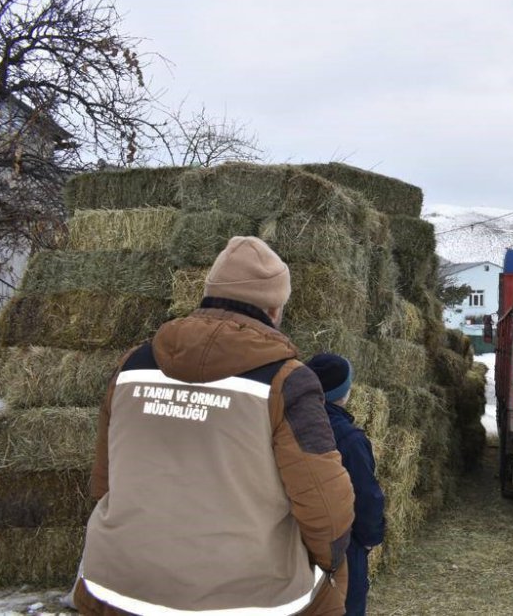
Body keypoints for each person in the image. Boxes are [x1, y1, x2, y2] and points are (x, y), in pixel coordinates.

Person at [74, 236, 355, 616]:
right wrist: (332, 561)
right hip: (243, 596)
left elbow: (104, 479)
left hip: (115, 584)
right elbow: (324, 502)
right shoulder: (286, 381)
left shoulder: (132, 365)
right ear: (274, 310)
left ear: (207, 296)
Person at [307, 353, 386, 616]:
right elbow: (366, 496)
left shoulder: (286, 427)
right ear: (343, 392)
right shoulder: (350, 439)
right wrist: (370, 538)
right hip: (343, 543)